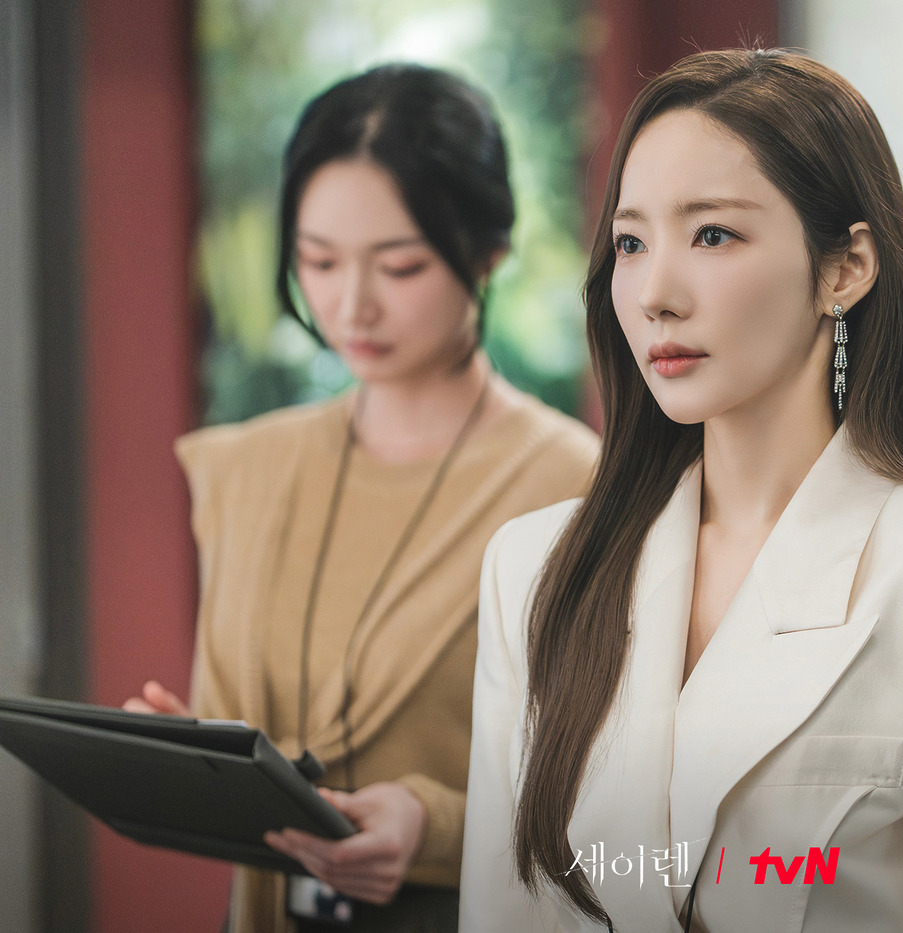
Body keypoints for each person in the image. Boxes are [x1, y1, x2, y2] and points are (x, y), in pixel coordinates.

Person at [459, 48, 903, 933]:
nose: (654, 294)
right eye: (631, 243)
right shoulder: (534, 567)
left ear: (846, 268)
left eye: (712, 235)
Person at [124, 64, 598, 932]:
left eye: (401, 265)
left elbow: (618, 795)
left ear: (489, 253)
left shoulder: (575, 487)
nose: (352, 305)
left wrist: (436, 824)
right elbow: (248, 722)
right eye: (318, 260)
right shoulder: (248, 469)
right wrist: (197, 754)